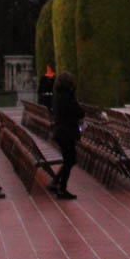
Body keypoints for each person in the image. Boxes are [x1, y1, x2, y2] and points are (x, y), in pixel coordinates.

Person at [49, 71, 84, 200]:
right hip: (66, 133)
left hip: (60, 132)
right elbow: (79, 112)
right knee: (70, 160)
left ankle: (56, 182)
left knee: (68, 160)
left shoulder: (57, 96)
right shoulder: (66, 98)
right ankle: (61, 188)